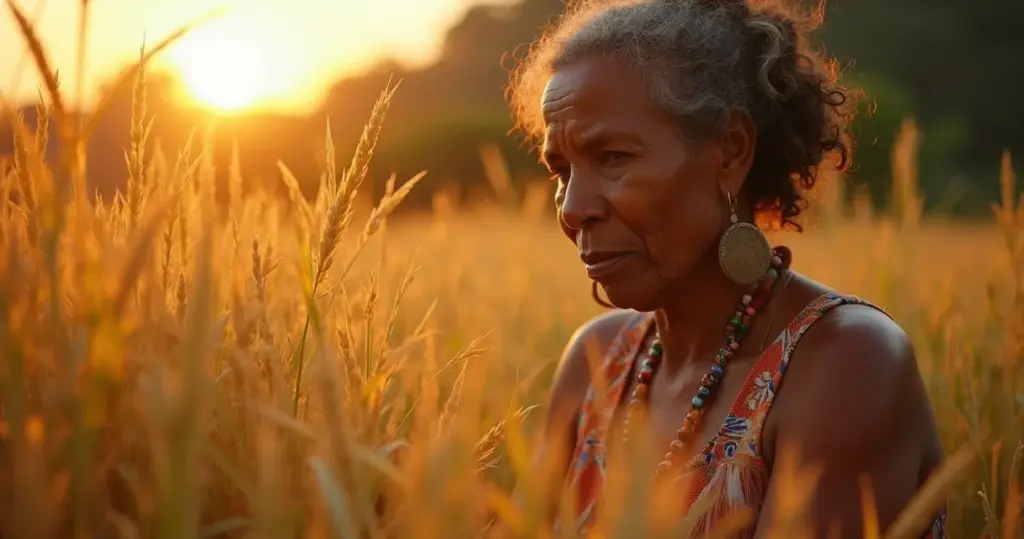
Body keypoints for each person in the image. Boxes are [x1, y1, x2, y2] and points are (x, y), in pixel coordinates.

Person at [504, 0, 947, 537]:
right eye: (561, 170)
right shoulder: (598, 362)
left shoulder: (846, 362)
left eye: (614, 157)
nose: (573, 207)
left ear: (731, 152)